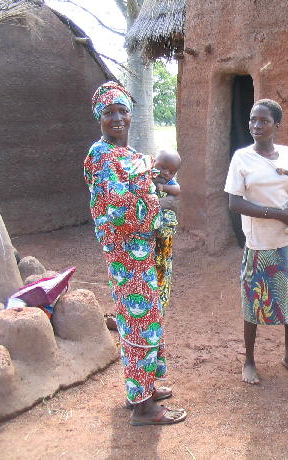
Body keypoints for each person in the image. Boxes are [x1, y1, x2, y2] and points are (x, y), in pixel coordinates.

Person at [83, 81, 186, 426]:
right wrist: (161, 205)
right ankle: (143, 408)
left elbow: (152, 181)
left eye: (122, 111)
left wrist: (160, 191)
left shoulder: (129, 156)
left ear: (131, 115)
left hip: (142, 256)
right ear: (99, 117)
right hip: (127, 258)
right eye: (109, 112)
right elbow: (117, 210)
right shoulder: (101, 156)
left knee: (146, 320)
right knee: (139, 323)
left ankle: (142, 389)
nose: (117, 118)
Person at [224, 98, 288, 384]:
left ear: (277, 125)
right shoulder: (242, 158)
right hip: (260, 243)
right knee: (253, 301)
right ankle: (249, 360)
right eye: (252, 119)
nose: (256, 125)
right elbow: (235, 203)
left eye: (263, 120)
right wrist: (279, 215)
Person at [152, 150, 181, 309]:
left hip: (165, 233)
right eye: (163, 167)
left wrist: (163, 187)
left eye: (172, 172)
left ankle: (160, 302)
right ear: (153, 160)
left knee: (163, 264)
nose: (166, 173)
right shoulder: (146, 175)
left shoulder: (168, 182)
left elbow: (177, 190)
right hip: (149, 234)